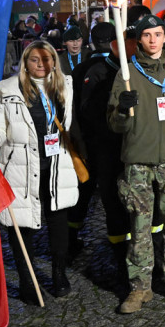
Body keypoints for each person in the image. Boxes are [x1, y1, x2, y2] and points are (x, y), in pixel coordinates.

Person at [108, 14, 165, 314]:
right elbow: (115, 125)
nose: (153, 40)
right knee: (139, 226)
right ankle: (140, 287)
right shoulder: (126, 74)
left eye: (158, 34)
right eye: (147, 35)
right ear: (139, 39)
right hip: (138, 162)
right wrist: (122, 110)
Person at [0, 40, 78, 302]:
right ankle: (27, 281)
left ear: (54, 61)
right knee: (22, 226)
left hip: (56, 165)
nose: (41, 64)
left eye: (47, 59)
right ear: (25, 62)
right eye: (35, 60)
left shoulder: (64, 85)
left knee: (58, 223)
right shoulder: (6, 90)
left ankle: (59, 274)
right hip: (21, 167)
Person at [65, 23, 138, 283]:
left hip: (123, 147)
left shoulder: (132, 68)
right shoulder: (94, 71)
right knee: (108, 199)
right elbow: (86, 111)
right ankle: (115, 255)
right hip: (102, 147)